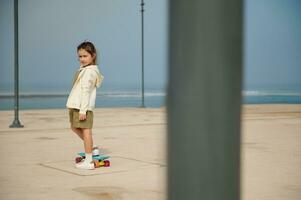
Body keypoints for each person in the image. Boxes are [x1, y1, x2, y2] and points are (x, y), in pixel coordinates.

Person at [66, 41, 104, 170]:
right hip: (77, 106)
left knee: (87, 132)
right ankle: (92, 149)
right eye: (80, 56)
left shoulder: (90, 72)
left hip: (83, 107)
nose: (82, 59)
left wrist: (83, 110)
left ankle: (89, 160)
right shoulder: (84, 70)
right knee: (74, 127)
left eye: (85, 56)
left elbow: (86, 92)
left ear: (92, 56)